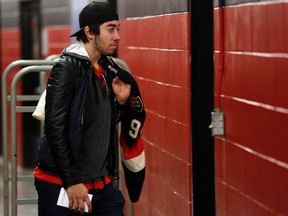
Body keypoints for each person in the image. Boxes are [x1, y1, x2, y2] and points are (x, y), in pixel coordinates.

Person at [33, 1, 146, 215]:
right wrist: (72, 181)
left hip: (101, 185)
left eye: (118, 29)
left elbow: (99, 125)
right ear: (89, 32)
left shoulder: (109, 70)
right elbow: (55, 128)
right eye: (110, 29)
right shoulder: (67, 69)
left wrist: (120, 105)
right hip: (62, 183)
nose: (117, 36)